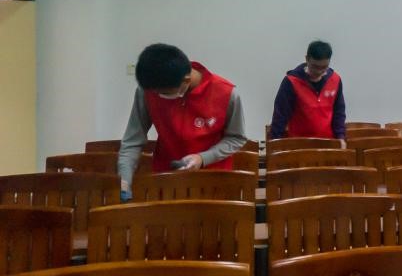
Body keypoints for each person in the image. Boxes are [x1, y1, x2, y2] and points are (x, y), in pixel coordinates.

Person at [117, 43, 247, 201]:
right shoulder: (148, 91)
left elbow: (236, 138)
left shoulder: (226, 93)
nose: (157, 96)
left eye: (163, 93)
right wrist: (124, 180)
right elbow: (132, 141)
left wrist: (202, 158)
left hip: (213, 182)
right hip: (167, 181)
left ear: (186, 80)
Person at [269, 40, 346, 141]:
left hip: (329, 143)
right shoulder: (291, 82)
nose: (319, 71)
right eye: (315, 67)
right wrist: (275, 142)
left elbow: (339, 112)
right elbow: (280, 115)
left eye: (324, 67)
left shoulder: (335, 80)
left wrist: (340, 137)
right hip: (299, 144)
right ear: (307, 59)